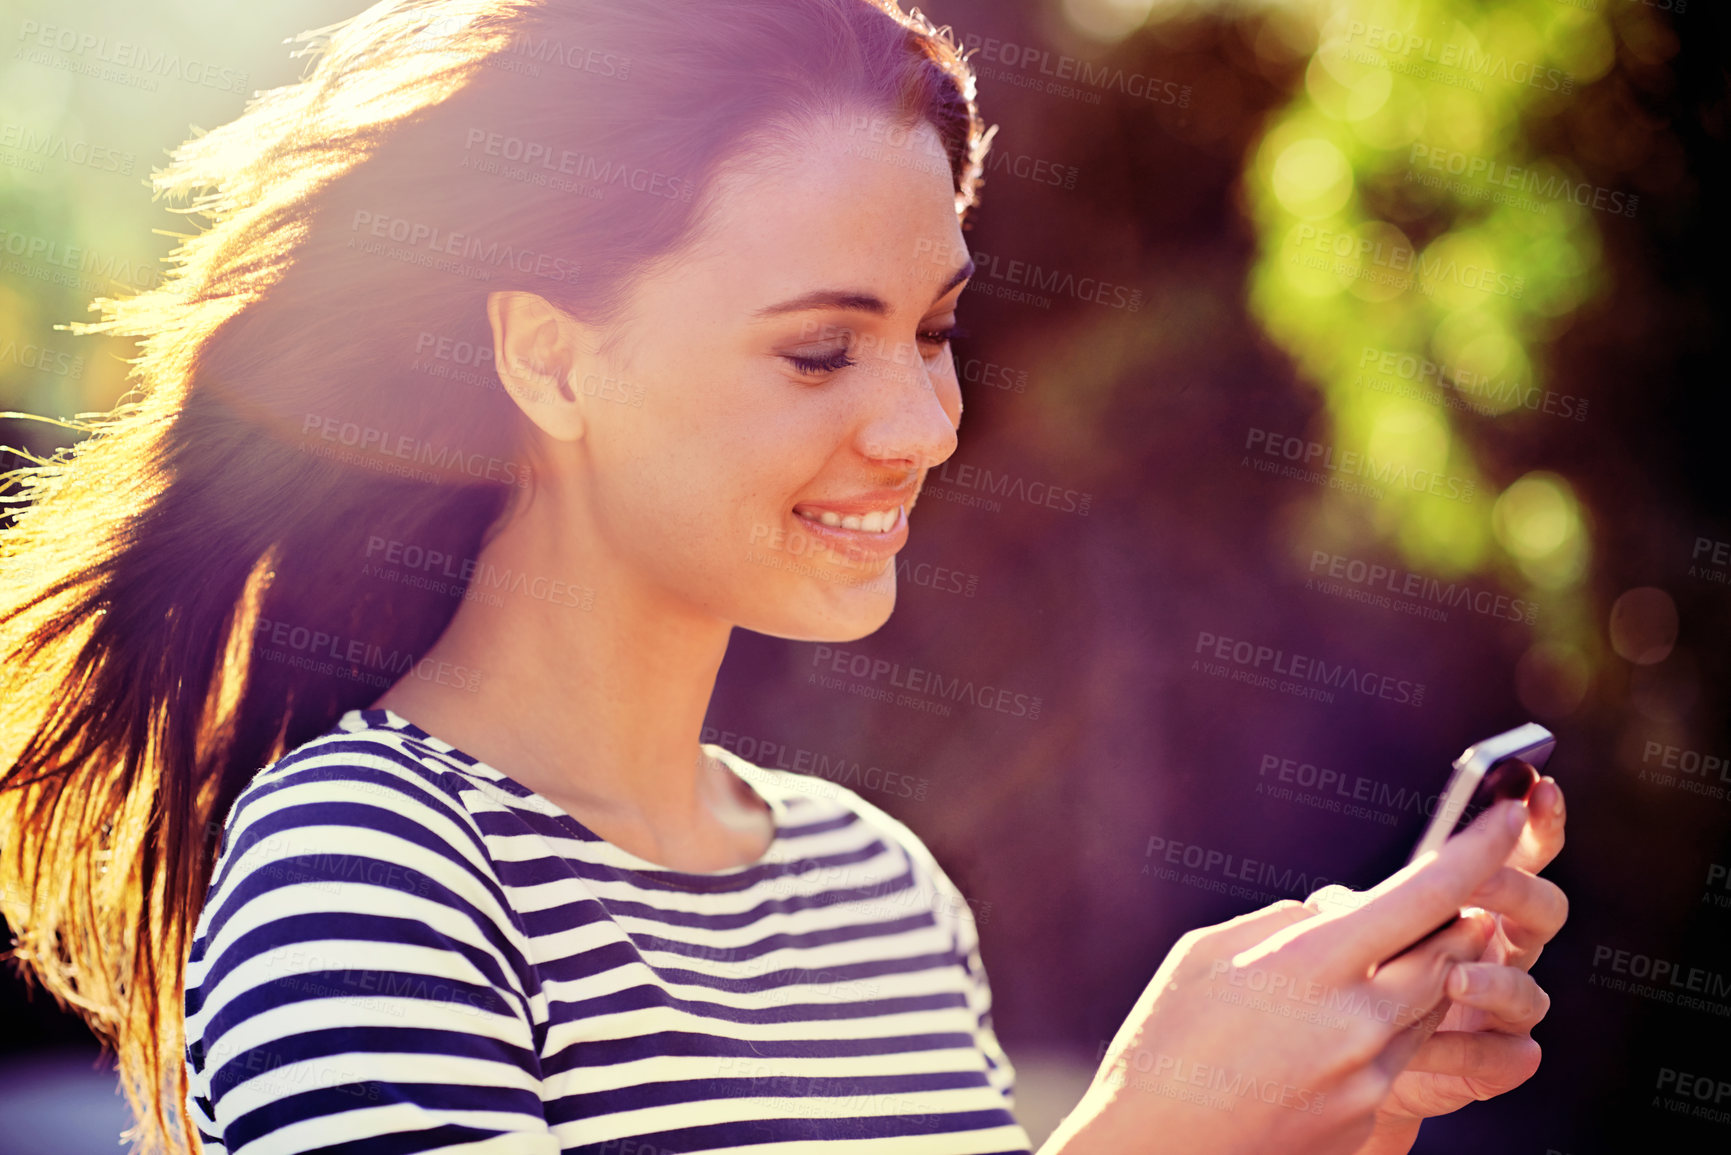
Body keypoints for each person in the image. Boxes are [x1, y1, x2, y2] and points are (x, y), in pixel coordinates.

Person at [0, 1, 1568, 1153]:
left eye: (936, 332)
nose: (923, 425)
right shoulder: (362, 877)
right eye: (820, 349)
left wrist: (1311, 1123)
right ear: (550, 360)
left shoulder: (878, 889)